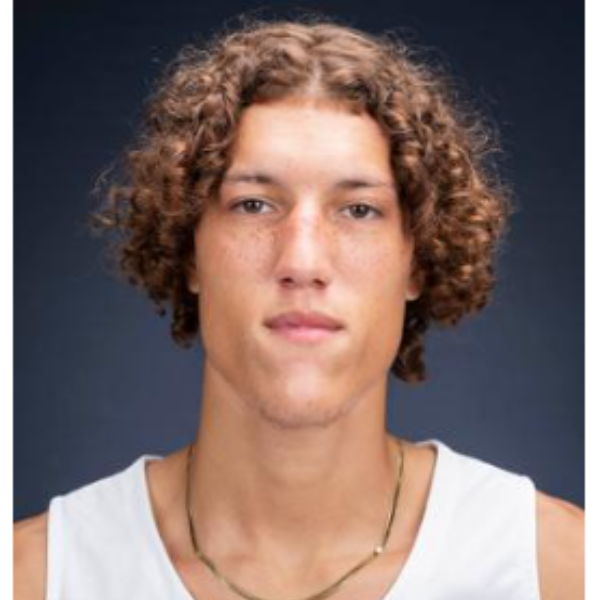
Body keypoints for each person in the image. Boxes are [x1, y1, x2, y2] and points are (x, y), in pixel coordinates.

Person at [14, 17, 584, 600]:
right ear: (188, 250)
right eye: (254, 204)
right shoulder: (35, 576)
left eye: (359, 210)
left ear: (418, 259)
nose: (303, 260)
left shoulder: (560, 570)